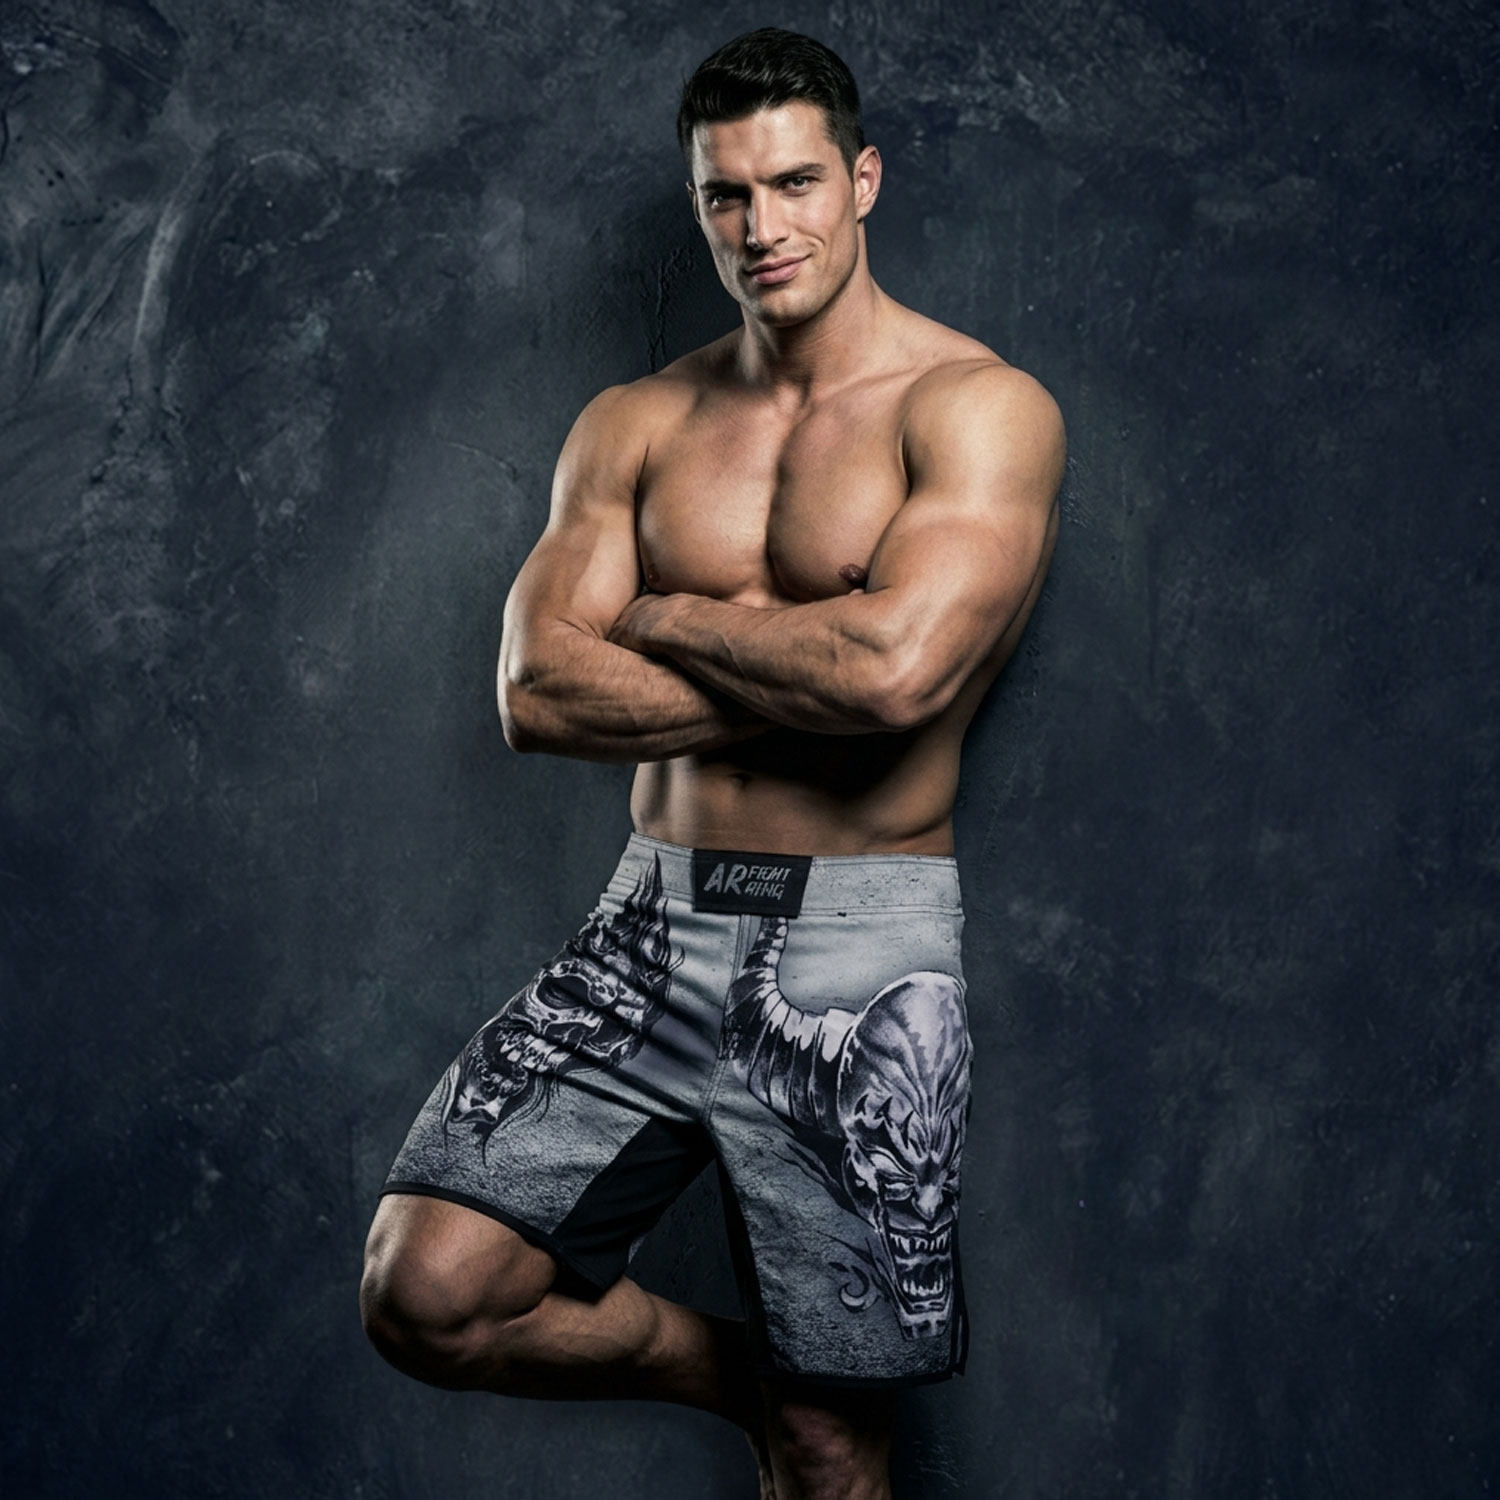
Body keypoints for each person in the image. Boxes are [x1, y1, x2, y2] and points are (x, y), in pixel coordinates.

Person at [360, 26, 1064, 1500]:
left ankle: (802, 1408)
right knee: (427, 1292)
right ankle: (745, 1379)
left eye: (795, 183)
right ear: (698, 204)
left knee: (832, 1448)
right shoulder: (638, 421)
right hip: (652, 924)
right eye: (726, 195)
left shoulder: (976, 408)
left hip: (859, 960)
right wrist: (821, 669)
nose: (763, 226)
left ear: (862, 181)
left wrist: (668, 616)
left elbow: (898, 674)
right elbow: (537, 690)